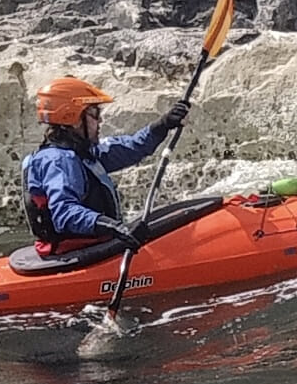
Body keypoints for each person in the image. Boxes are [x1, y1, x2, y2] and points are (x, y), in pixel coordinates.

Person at [24, 75, 189, 255]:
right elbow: (65, 214)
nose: (100, 120)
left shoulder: (83, 152)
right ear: (74, 118)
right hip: (76, 252)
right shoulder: (58, 161)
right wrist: (113, 227)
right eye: (95, 113)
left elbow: (133, 147)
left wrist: (164, 124)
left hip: (96, 245)